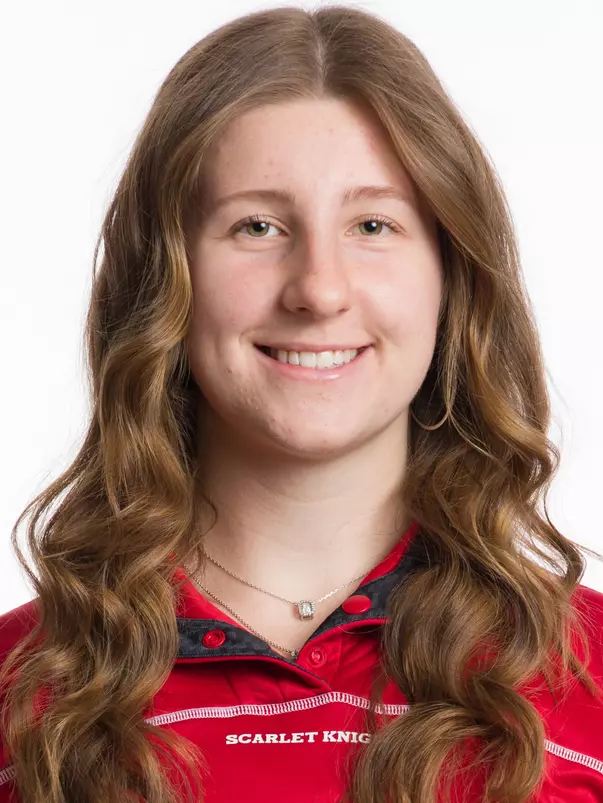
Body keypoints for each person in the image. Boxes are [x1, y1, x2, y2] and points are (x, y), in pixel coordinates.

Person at [1, 5, 603, 803]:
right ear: (163, 279)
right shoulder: (24, 693)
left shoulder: (587, 677)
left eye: (372, 224)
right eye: (256, 225)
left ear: (452, 277)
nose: (318, 288)